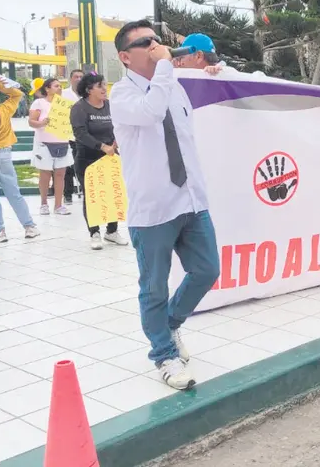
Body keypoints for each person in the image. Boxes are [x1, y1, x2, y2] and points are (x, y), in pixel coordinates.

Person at [111, 20, 221, 391]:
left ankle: (169, 326)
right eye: (146, 42)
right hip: (153, 209)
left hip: (190, 200)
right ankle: (162, 354)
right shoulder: (122, 95)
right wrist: (163, 70)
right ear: (126, 56)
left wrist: (215, 70)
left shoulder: (172, 84)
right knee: (154, 286)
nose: (157, 46)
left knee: (207, 270)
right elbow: (150, 112)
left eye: (157, 39)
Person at [0, 75, 40, 242]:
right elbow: (18, 94)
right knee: (14, 193)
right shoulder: (4, 110)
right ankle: (29, 226)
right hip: (3, 155)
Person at [70, 72, 130, 249]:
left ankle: (112, 231)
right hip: (88, 159)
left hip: (111, 158)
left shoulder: (110, 106)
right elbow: (80, 133)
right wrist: (102, 146)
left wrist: (116, 142)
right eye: (100, 86)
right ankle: (94, 232)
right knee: (92, 196)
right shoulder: (79, 108)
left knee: (112, 192)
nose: (105, 89)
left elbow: (121, 125)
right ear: (89, 90)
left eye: (104, 85)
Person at [28, 78, 73, 216]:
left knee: (60, 174)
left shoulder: (65, 104)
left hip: (62, 141)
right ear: (47, 88)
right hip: (44, 143)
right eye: (56, 86)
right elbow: (31, 121)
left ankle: (59, 205)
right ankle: (44, 203)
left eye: (60, 86)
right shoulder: (39, 103)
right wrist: (41, 123)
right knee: (45, 174)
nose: (59, 88)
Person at [59, 68, 84, 205]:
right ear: (71, 79)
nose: (79, 79)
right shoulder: (63, 94)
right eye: (76, 77)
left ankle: (86, 190)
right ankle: (67, 193)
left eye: (81, 76)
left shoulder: (87, 94)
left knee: (81, 164)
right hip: (66, 133)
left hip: (82, 134)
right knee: (67, 165)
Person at [172, 34, 242, 75]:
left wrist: (220, 75)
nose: (178, 64)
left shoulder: (225, 73)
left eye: (181, 58)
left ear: (198, 56)